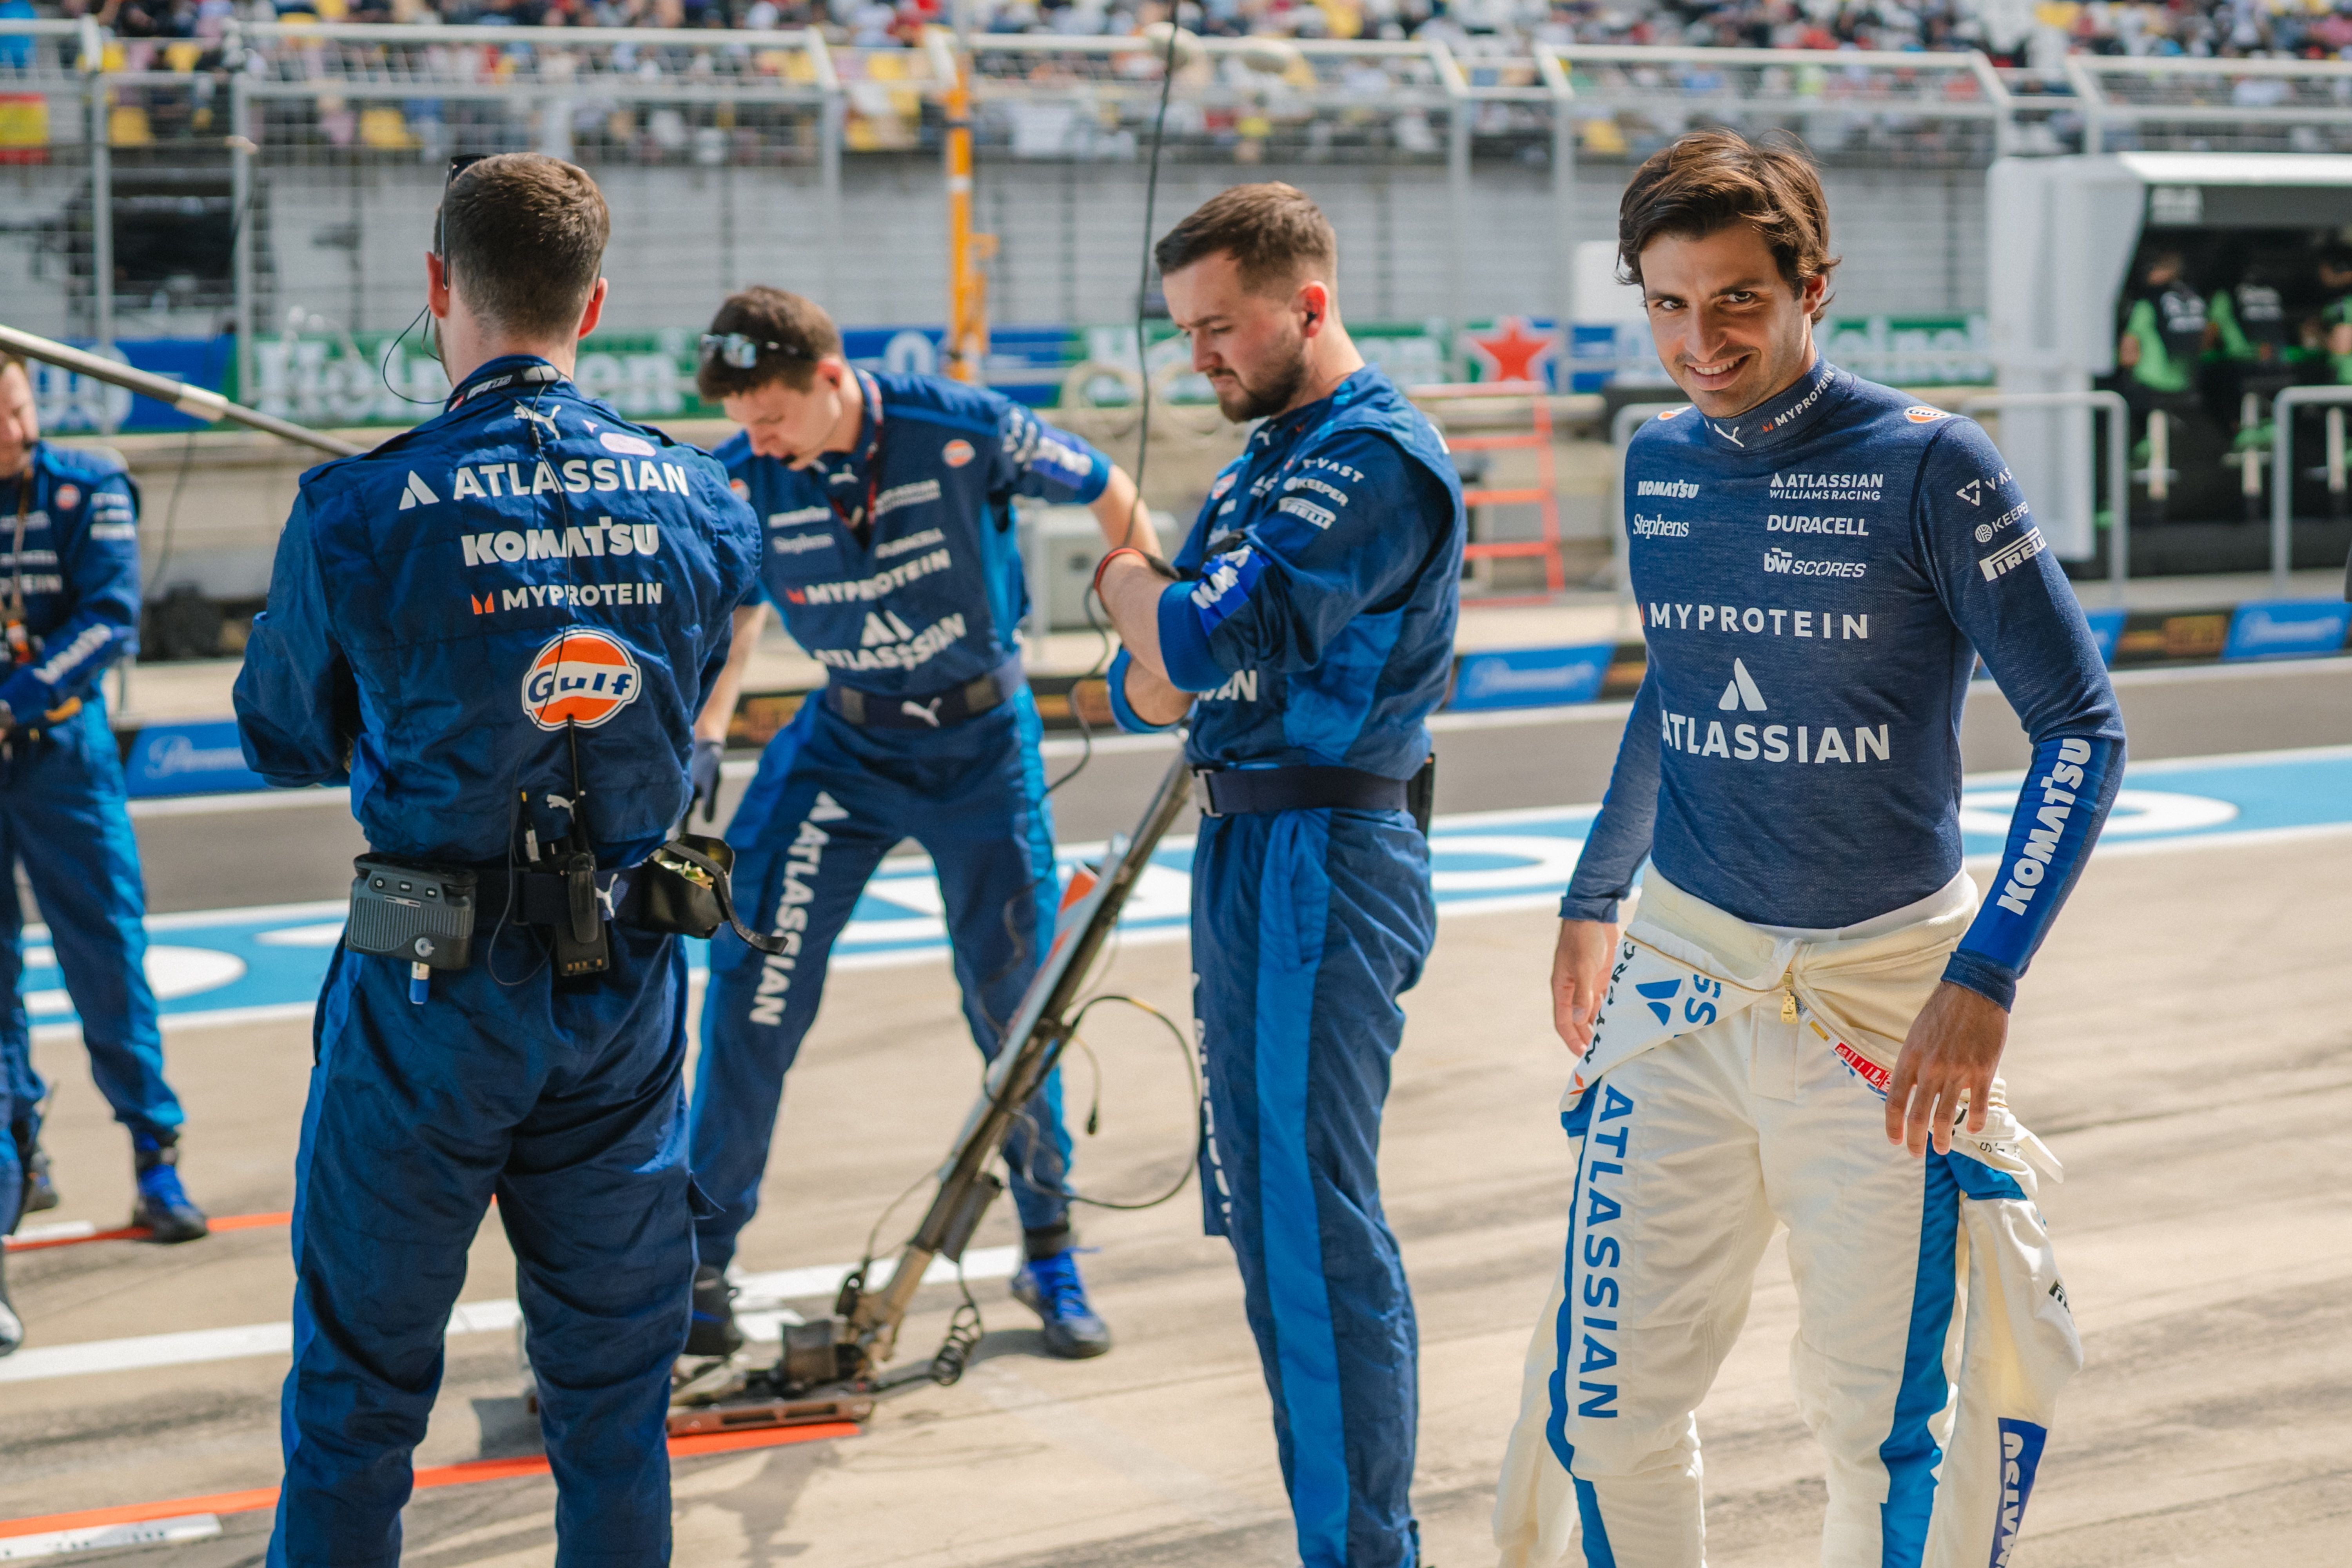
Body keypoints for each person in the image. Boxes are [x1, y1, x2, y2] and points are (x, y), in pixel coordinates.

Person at [1491, 130, 2123, 1567]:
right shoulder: (1657, 468)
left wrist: (1990, 972)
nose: (1698, 339)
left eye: (1734, 301)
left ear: (1811, 287)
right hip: (1680, 986)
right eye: (1665, 303)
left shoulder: (1934, 465)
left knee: (1878, 1434)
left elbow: (2081, 731)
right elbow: (1684, 679)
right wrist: (1599, 888)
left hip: (1885, 1011)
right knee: (1607, 1413)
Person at [234, 152, 761, 1566]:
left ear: (434, 285)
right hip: (627, 990)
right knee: (614, 1406)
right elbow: (687, 689)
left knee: (355, 1402)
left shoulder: (355, 511)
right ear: (595, 303)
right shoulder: (704, 499)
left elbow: (277, 737)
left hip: (426, 994)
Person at [1094, 183, 1465, 1568]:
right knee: (1261, 1212)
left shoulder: (1371, 458)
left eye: (1218, 327)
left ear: (1307, 305)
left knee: (1310, 1223)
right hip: (1245, 839)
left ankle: (1369, 1551)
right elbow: (1150, 691)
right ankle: (1343, 1536)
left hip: (1327, 848)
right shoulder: (1265, 459)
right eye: (1185, 331)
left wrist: (1129, 585)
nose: (1198, 355)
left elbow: (1181, 644)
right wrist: (1155, 618)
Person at [680, 287, 1155, 1360]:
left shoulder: (960, 425)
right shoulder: (746, 475)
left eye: (773, 414)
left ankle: (1049, 1247)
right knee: (755, 989)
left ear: (831, 376)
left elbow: (1108, 483)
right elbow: (736, 613)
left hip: (983, 748)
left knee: (1015, 1005)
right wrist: (704, 737)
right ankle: (702, 1265)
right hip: (844, 747)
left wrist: (1151, 634)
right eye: (745, 420)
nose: (758, 436)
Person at [0, 349, 208, 1299]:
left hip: (61, 756)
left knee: (108, 957)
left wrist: (24, 693)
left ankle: (154, 1155)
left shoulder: (88, 484)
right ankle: (17, 1152)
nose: (11, 430)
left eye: (16, 407)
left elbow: (112, 614)